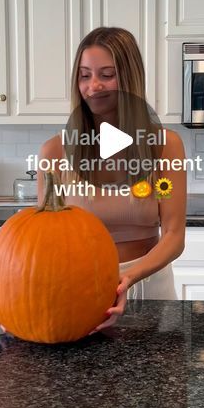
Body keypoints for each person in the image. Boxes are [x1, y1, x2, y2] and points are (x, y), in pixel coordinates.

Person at [37, 26, 186, 334]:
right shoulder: (54, 151)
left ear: (129, 79)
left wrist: (127, 279)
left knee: (154, 379)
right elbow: (44, 241)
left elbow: (173, 235)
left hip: (149, 285)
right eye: (84, 75)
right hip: (80, 287)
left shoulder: (164, 145)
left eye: (107, 74)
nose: (93, 86)